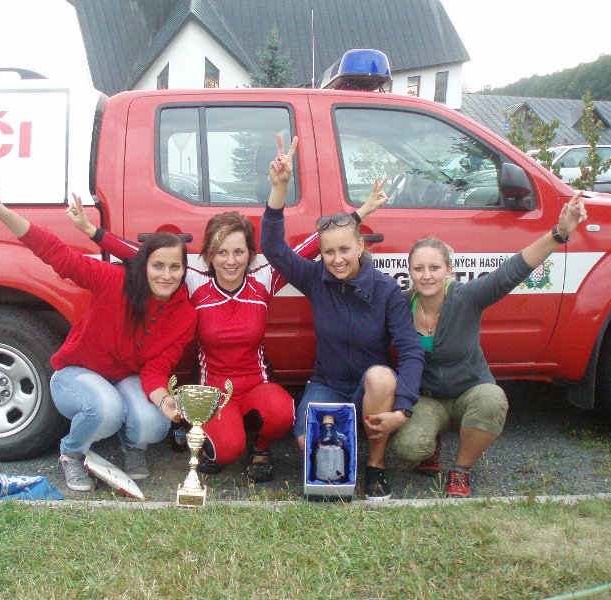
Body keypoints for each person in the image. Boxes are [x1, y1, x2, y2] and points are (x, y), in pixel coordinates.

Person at [68, 136, 382, 483]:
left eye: (238, 252)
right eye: (221, 252)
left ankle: (261, 447)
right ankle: (209, 433)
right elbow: (139, 255)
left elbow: (310, 247)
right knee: (228, 450)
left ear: (250, 254)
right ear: (209, 255)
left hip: (257, 384)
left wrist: (358, 214)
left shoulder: (264, 278)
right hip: (213, 392)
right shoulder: (194, 280)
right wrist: (92, 231)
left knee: (282, 412)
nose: (230, 261)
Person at [0, 165, 196, 491]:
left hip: (125, 378)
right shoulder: (114, 280)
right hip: (77, 374)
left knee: (154, 423)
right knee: (106, 409)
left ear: (184, 270)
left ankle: (134, 448)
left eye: (175, 267)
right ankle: (72, 453)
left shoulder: (185, 315)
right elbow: (58, 255)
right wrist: (0, 210)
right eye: (158, 266)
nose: (166, 275)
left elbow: (156, 369)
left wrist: (164, 403)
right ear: (144, 266)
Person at [389, 190, 588, 498]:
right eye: (418, 269)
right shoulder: (401, 305)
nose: (426, 276)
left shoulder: (467, 297)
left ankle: (461, 469)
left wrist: (558, 234)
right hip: (427, 398)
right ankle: (431, 445)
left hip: (470, 392)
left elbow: (512, 271)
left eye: (434, 268)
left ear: (449, 270)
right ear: (409, 272)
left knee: (492, 401)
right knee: (408, 446)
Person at [260, 137, 426, 500]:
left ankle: (375, 466)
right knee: (306, 441)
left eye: (345, 249)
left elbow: (411, 351)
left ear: (361, 246)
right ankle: (340, 464)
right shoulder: (314, 278)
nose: (337, 259)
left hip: (370, 387)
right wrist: (280, 188)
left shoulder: (385, 290)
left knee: (381, 377)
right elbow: (273, 248)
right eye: (329, 251)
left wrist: (403, 408)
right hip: (328, 383)